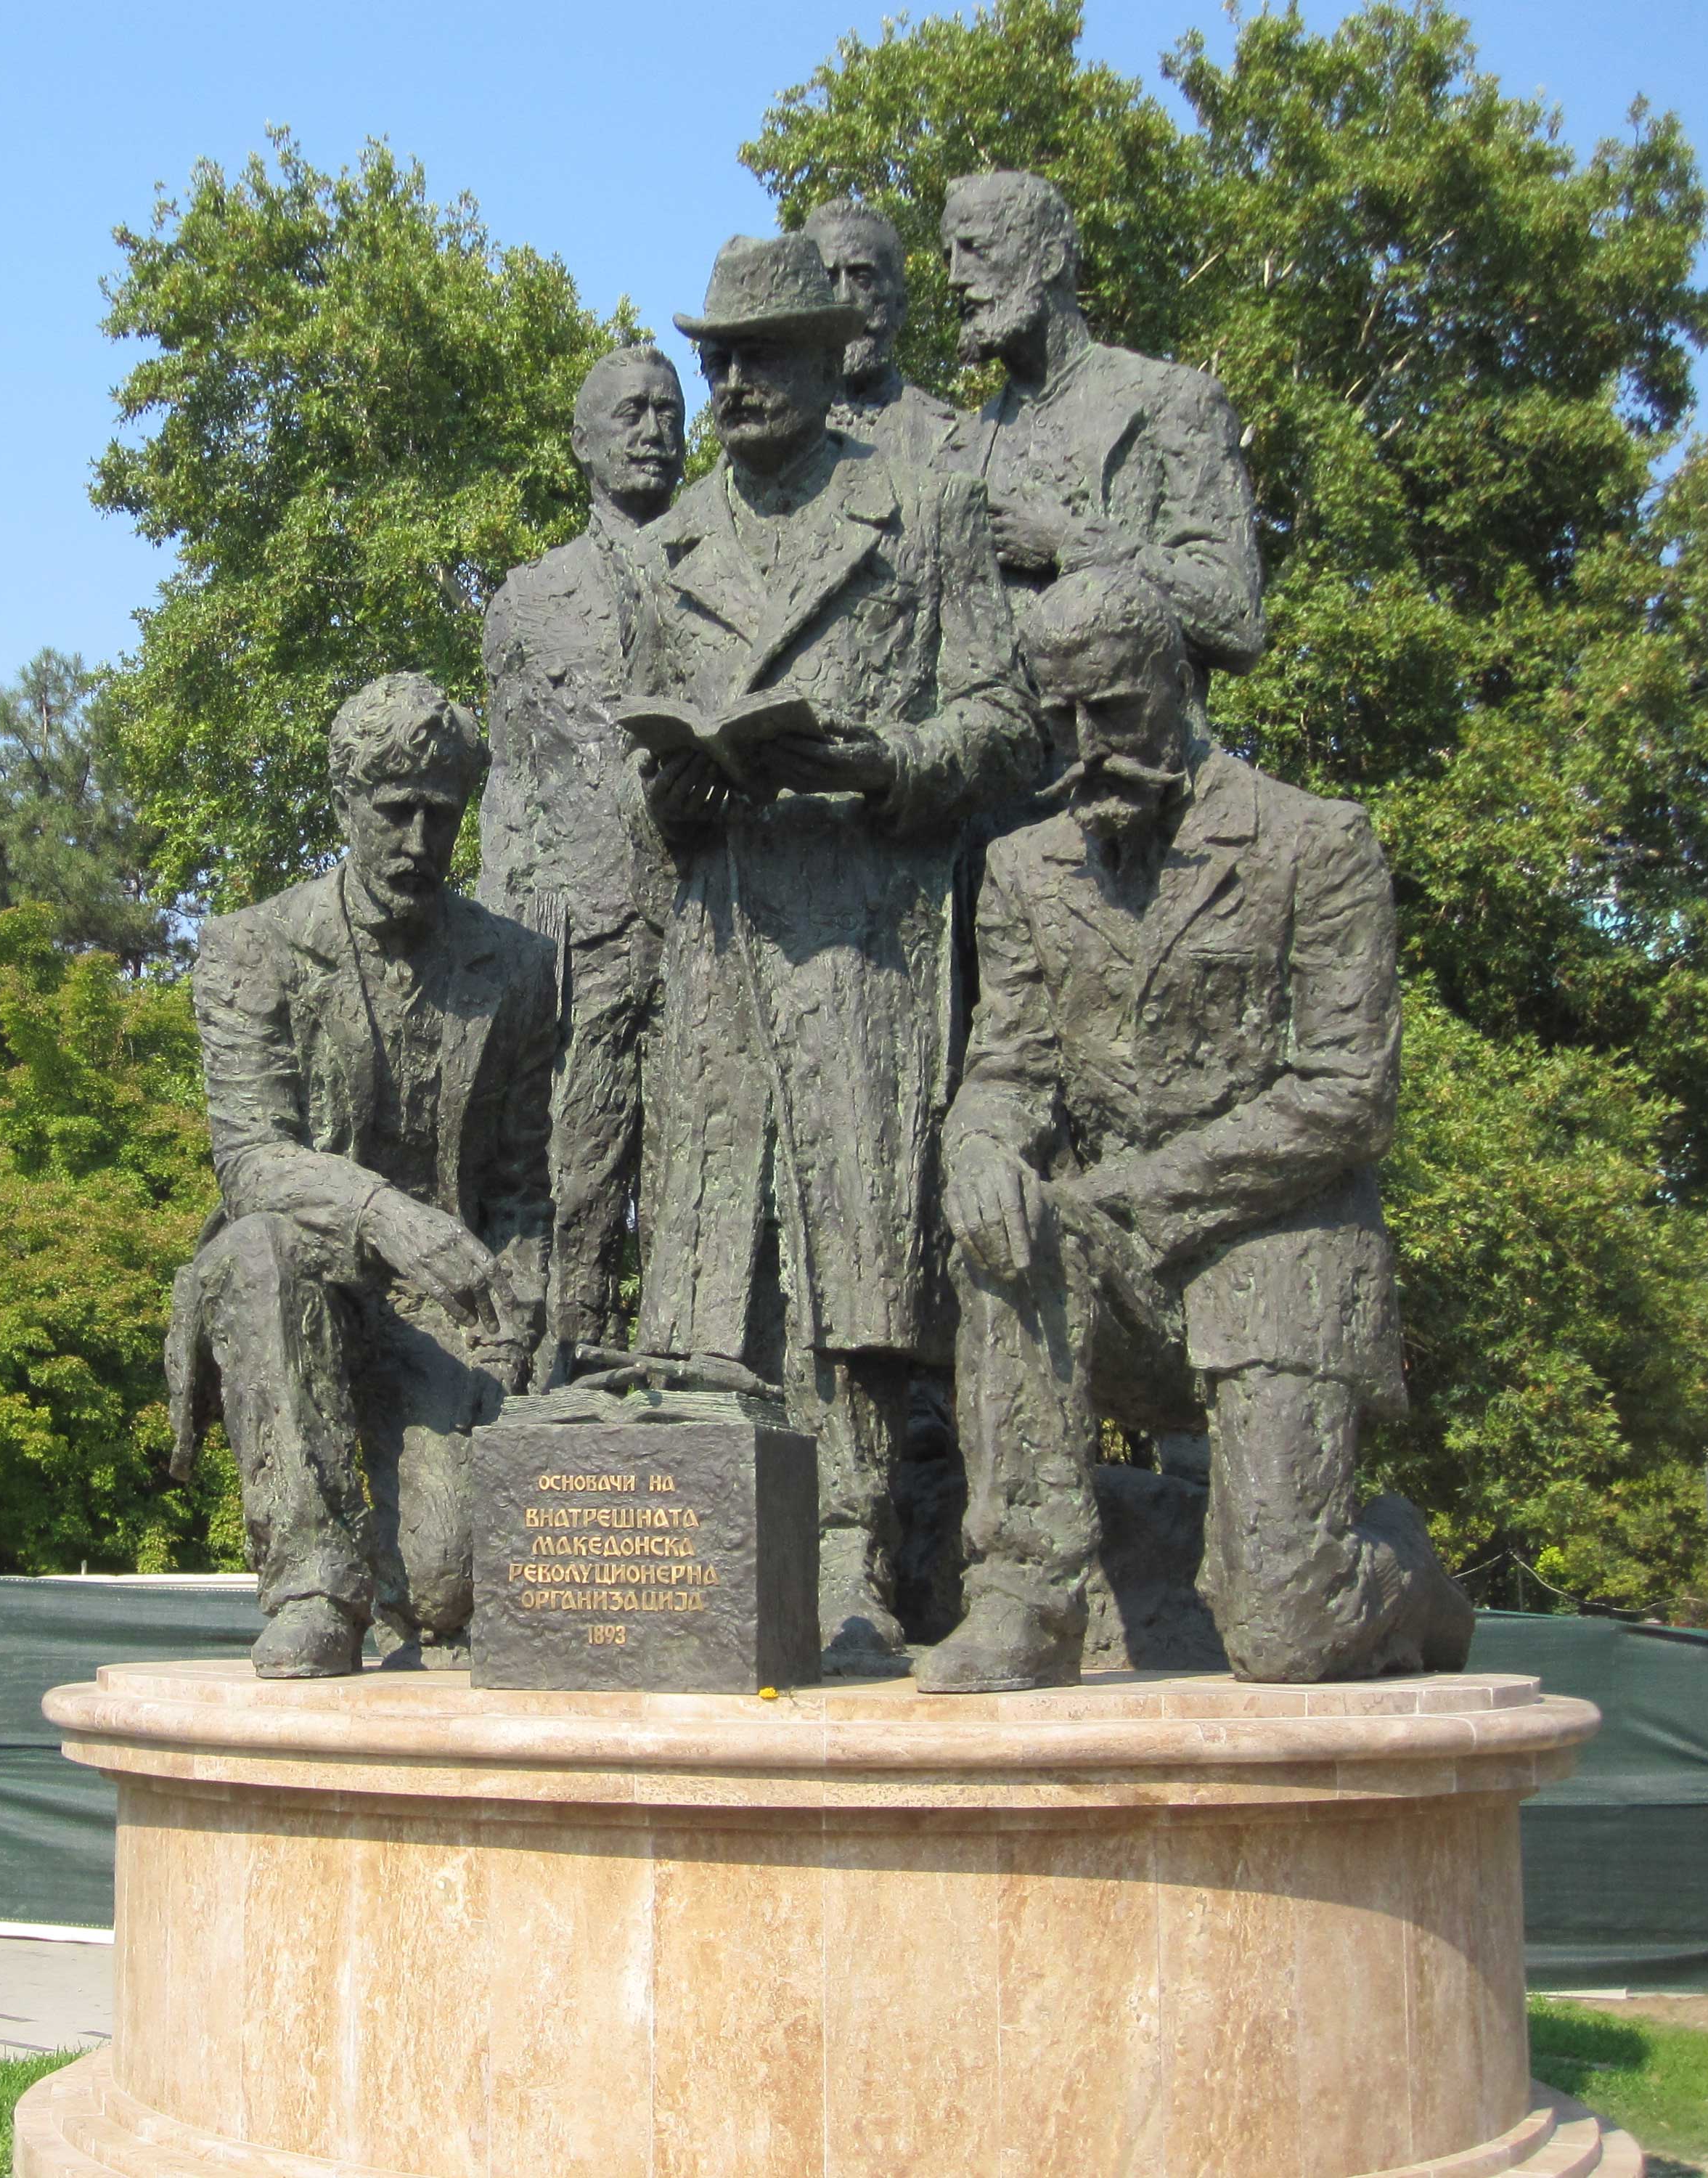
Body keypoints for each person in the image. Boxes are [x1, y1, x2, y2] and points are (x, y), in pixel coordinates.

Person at [921, 567, 1472, 1692]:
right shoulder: (1023, 870)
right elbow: (1009, 1070)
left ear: (1182, 684)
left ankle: (1407, 1571)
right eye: (1061, 720)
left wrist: (1136, 1192)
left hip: (1278, 1254)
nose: (1088, 749)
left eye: (1116, 711)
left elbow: (1349, 1094)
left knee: (1286, 1634)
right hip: (1116, 1262)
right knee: (1007, 1228)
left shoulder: (1315, 843)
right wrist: (978, 1153)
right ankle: (1024, 1594)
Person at [619, 233, 1035, 1669]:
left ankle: (857, 1553)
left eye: (756, 357)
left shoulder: (923, 512)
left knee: (860, 1257)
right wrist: (677, 786)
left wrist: (884, 760)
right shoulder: (669, 548)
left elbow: (1004, 720)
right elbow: (651, 775)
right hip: (723, 933)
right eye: (715, 361)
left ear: (819, 356)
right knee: (714, 1250)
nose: (730, 384)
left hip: (867, 934)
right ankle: (706, 1550)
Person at [166, 676, 558, 1679]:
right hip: (301, 1284)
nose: (419, 843)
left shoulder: (517, 969)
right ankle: (312, 1587)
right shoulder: (251, 948)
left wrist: (515, 1326)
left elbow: (522, 1187)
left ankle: (399, 1581)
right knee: (256, 1250)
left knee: (444, 1586)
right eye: (395, 813)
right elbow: (252, 1160)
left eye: (442, 816)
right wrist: (387, 1216)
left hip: (444, 1314)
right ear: (344, 803)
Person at [478, 344, 685, 1366]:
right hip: (583, 935)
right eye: (630, 413)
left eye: (669, 411)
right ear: (582, 443)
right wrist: (508, 960)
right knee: (576, 1179)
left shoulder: (726, 570)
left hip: (709, 926)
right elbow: (508, 784)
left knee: (703, 1180)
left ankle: (696, 1382)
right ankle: (567, 1377)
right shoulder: (528, 600)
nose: (653, 430)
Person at [940, 171, 1265, 711]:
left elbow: (1236, 618)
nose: (955, 277)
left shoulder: (1174, 401)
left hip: (1137, 752)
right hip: (999, 755)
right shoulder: (958, 449)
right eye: (949, 255)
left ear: (1049, 260)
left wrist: (1068, 542)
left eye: (976, 249)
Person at [803, 197, 960, 473]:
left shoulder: (951, 435)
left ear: (900, 305)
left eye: (863, 279)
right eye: (828, 280)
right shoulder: (772, 439)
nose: (844, 298)